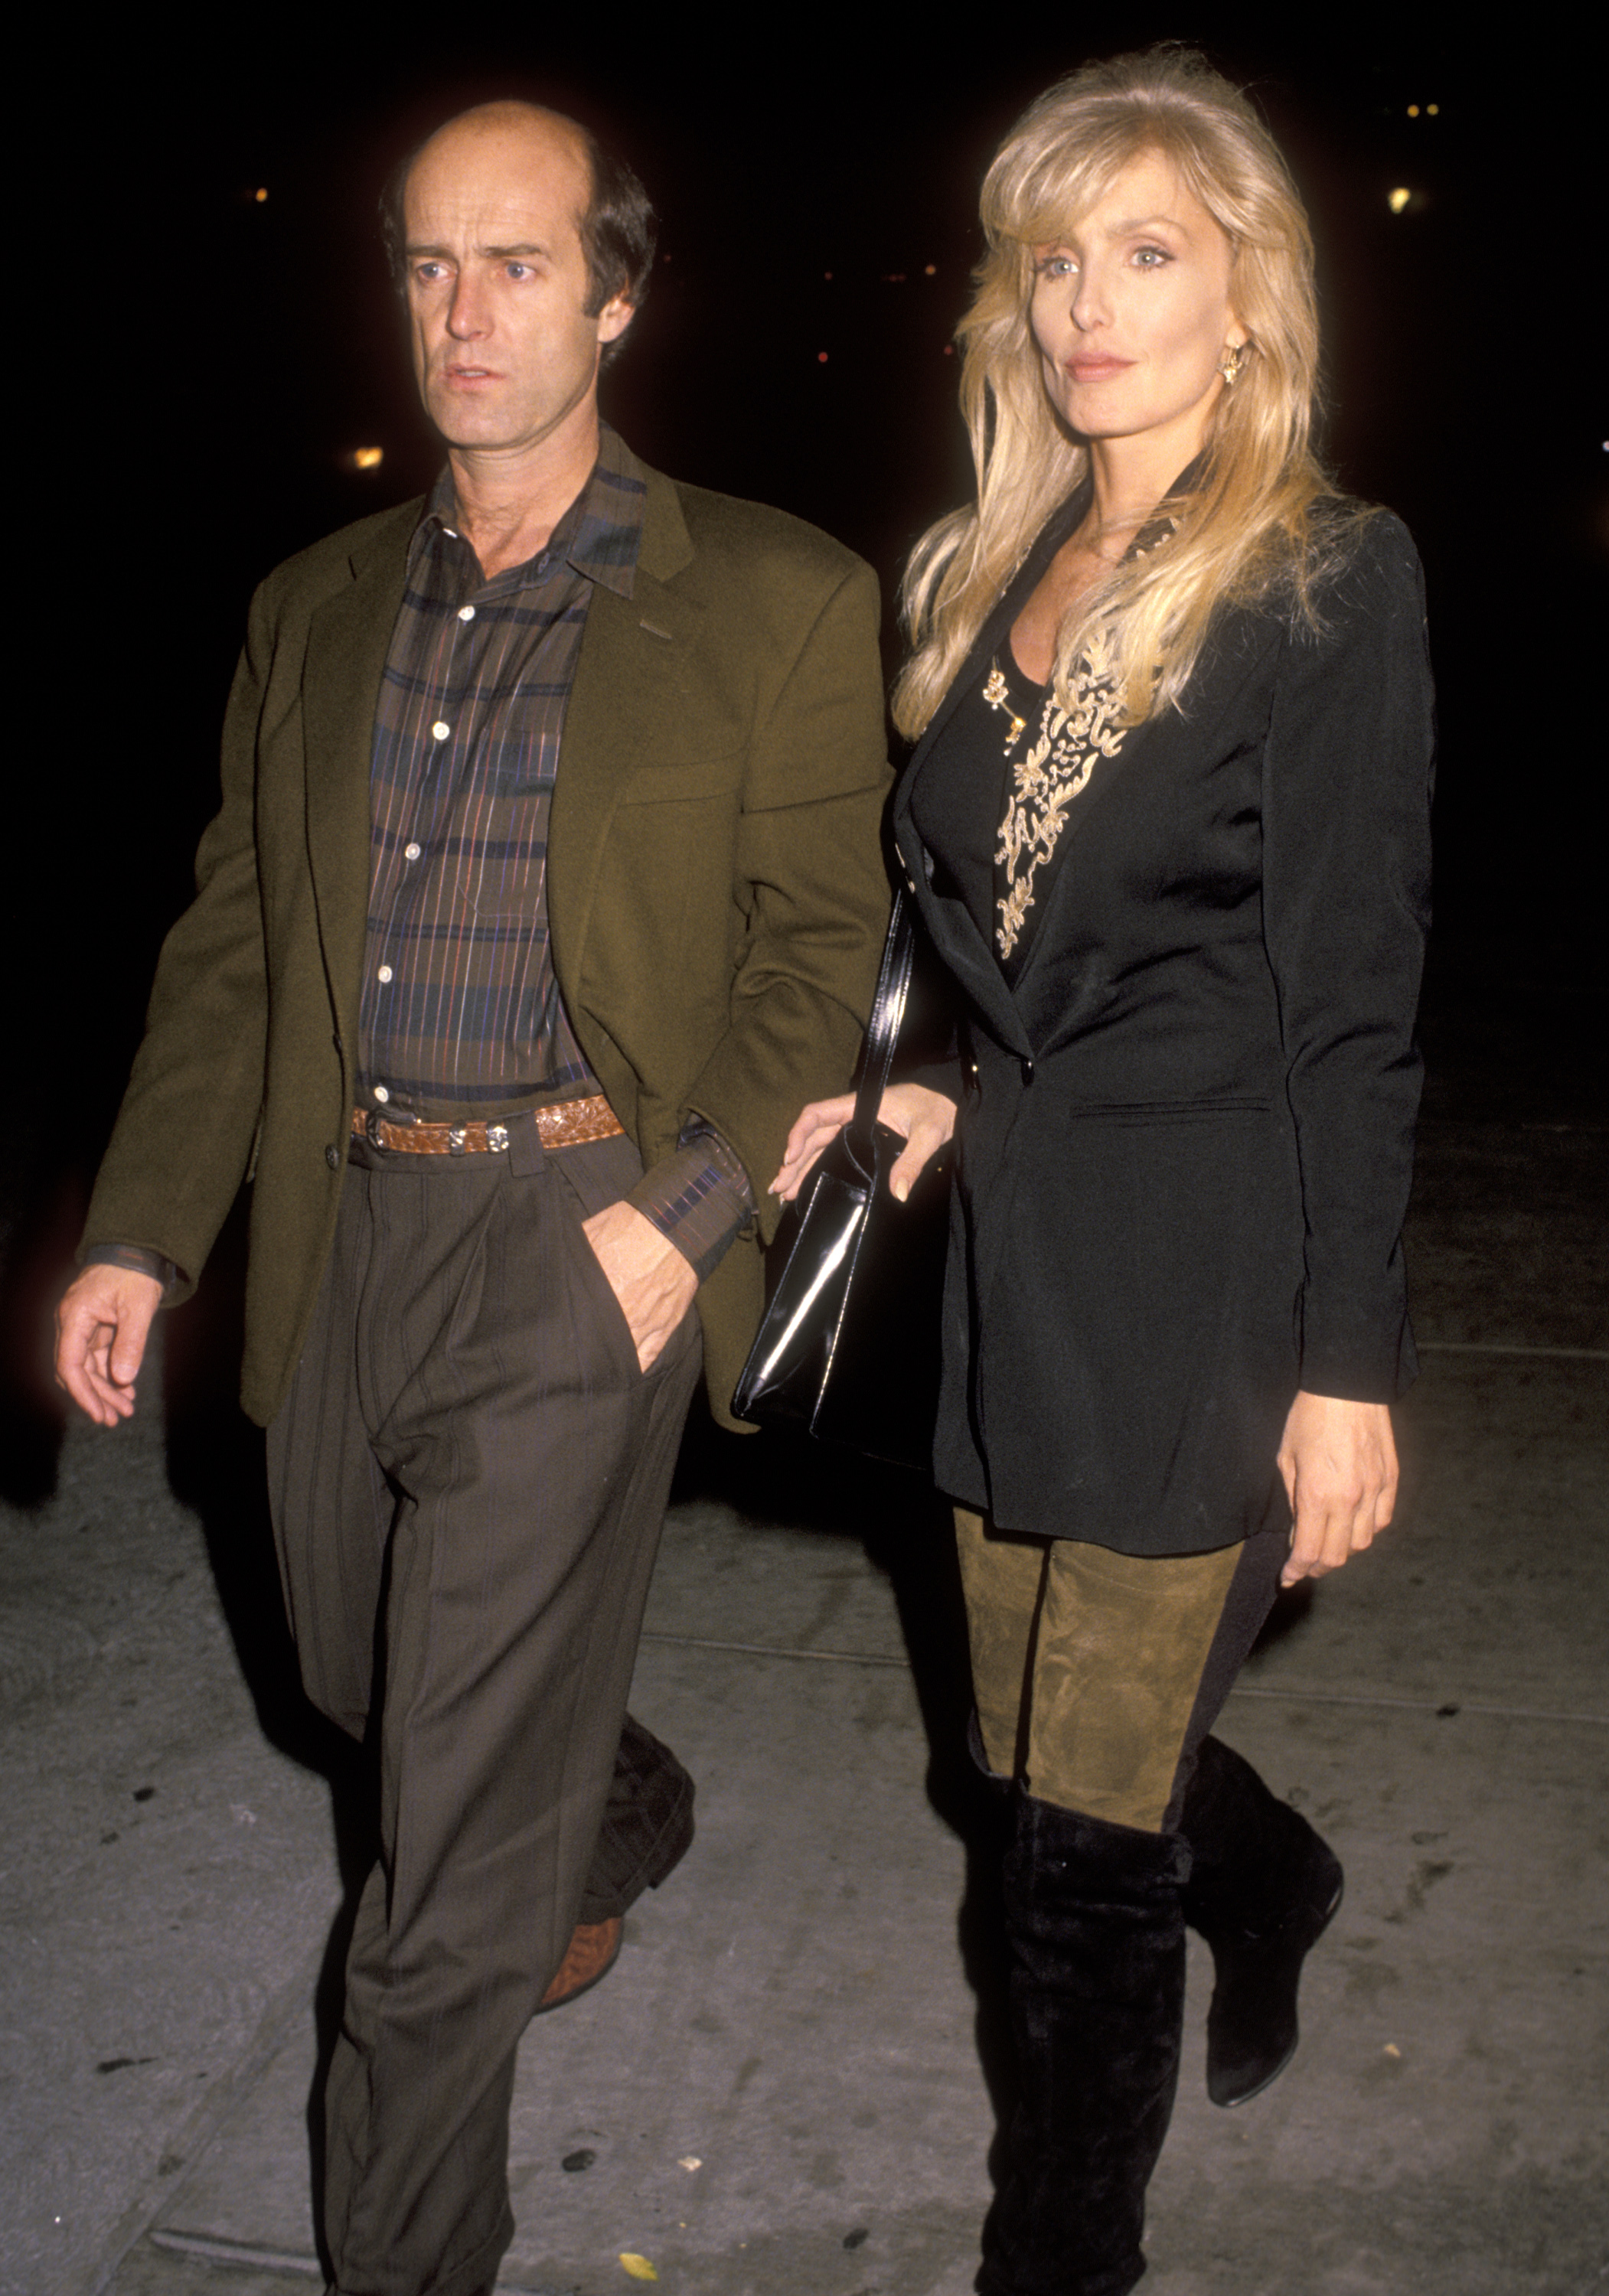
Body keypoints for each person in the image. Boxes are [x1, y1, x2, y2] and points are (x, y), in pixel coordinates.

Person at [55, 99, 890, 2296]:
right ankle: (599, 1800)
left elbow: (824, 949)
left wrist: (683, 1207)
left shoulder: (777, 597)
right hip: (344, 1240)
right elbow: (233, 950)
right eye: (429, 263)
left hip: (581, 1239)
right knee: (353, 1678)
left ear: (614, 294)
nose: (466, 312)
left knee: (425, 1903)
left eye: (518, 264)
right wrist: (146, 1225)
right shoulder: (310, 608)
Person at [775, 47, 1434, 2296]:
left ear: (1247, 294)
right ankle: (1264, 1878)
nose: (1087, 302)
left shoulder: (1327, 578)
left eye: (1145, 252)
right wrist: (942, 1086)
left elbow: (1350, 1002)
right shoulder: (998, 562)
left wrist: (1343, 1367)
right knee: (1029, 1761)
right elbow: (991, 932)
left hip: (1202, 1280)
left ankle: (1057, 2265)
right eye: (1052, 258)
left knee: (1064, 1861)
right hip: (1014, 1258)